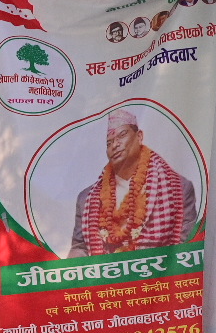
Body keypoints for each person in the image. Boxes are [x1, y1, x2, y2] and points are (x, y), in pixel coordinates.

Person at [68, 109, 198, 256]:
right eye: (109, 142)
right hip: (104, 277)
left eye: (122, 135)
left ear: (139, 136)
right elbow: (80, 248)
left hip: (158, 275)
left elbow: (186, 247)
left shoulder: (178, 189)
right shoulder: (86, 199)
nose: (115, 145)